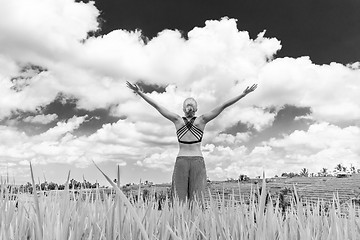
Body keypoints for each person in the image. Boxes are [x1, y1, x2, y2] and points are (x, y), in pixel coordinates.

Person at [126, 81, 257, 203]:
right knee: (197, 201)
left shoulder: (177, 120)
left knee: (179, 201)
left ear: (183, 109)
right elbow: (223, 106)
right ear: (196, 109)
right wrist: (243, 94)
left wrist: (140, 92)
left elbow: (157, 106)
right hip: (197, 161)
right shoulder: (202, 120)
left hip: (181, 161)